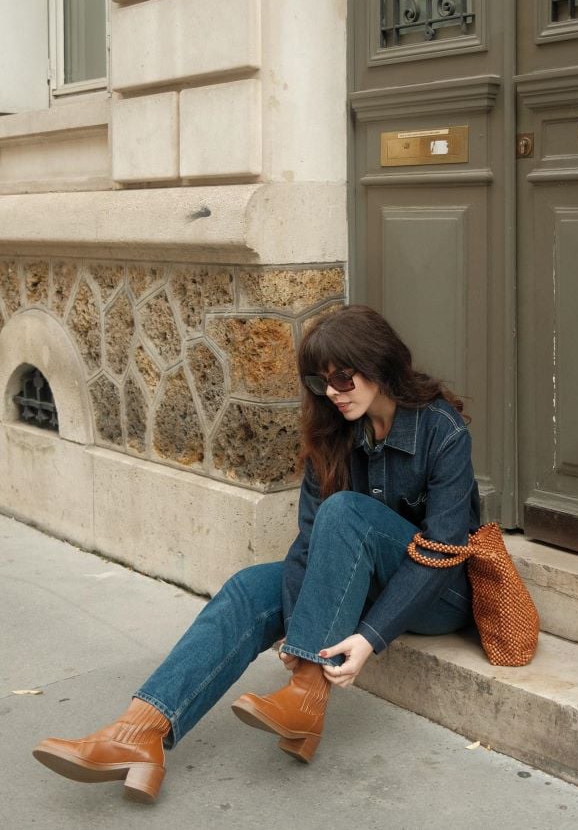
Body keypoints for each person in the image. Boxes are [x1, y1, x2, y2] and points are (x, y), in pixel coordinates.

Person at [33, 305, 480, 803]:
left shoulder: (443, 431)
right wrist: (301, 631)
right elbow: (309, 544)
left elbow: (443, 550)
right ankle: (140, 733)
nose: (332, 393)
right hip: (359, 579)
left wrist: (370, 638)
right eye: (319, 384)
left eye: (343, 378)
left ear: (380, 365)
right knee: (249, 588)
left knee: (346, 512)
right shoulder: (334, 432)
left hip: (438, 594)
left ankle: (306, 699)